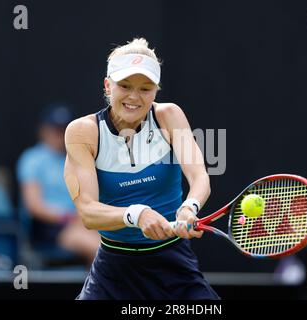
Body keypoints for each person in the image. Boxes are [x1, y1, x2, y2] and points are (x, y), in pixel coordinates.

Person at [64, 38, 220, 299]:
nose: (134, 97)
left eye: (145, 88)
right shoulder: (83, 132)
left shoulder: (169, 116)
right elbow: (88, 213)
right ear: (107, 85)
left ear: (156, 90)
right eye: (124, 86)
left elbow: (199, 177)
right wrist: (137, 214)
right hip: (113, 270)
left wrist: (189, 207)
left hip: (174, 265)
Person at [17, 104, 99, 266]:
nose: (59, 134)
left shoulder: (79, 159)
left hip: (82, 223)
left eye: (64, 129)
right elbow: (34, 205)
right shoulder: (32, 159)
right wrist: (69, 217)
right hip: (49, 229)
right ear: (43, 130)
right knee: (99, 249)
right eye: (55, 129)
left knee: (118, 245)